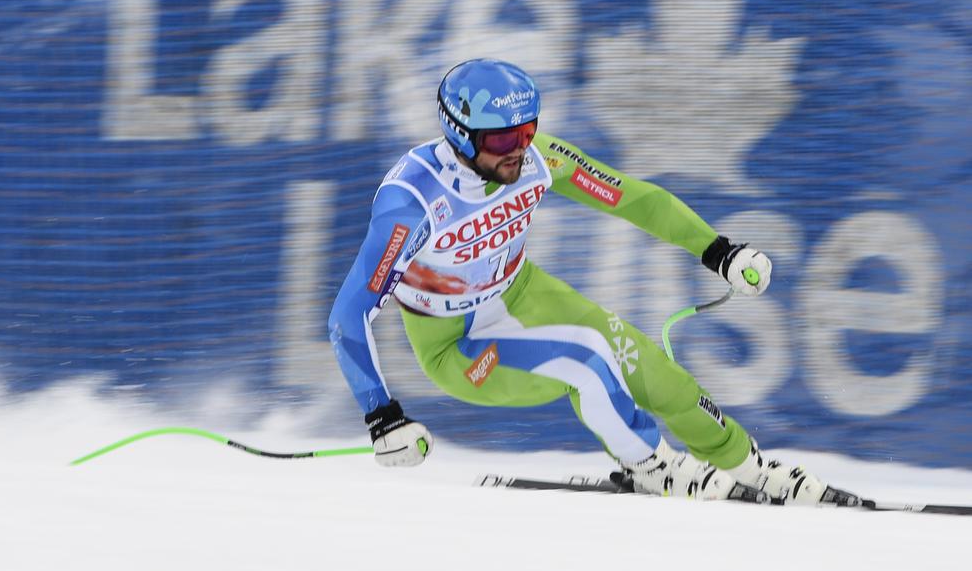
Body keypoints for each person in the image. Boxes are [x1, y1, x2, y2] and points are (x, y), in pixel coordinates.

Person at [328, 58, 834, 503]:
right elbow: (349, 316)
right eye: (504, 138)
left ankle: (750, 466)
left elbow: (634, 198)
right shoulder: (411, 205)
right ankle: (652, 467)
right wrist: (382, 416)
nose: (519, 150)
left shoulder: (536, 159)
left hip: (523, 293)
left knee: (658, 375)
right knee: (588, 359)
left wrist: (718, 251)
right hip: (456, 344)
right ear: (461, 133)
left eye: (527, 131)